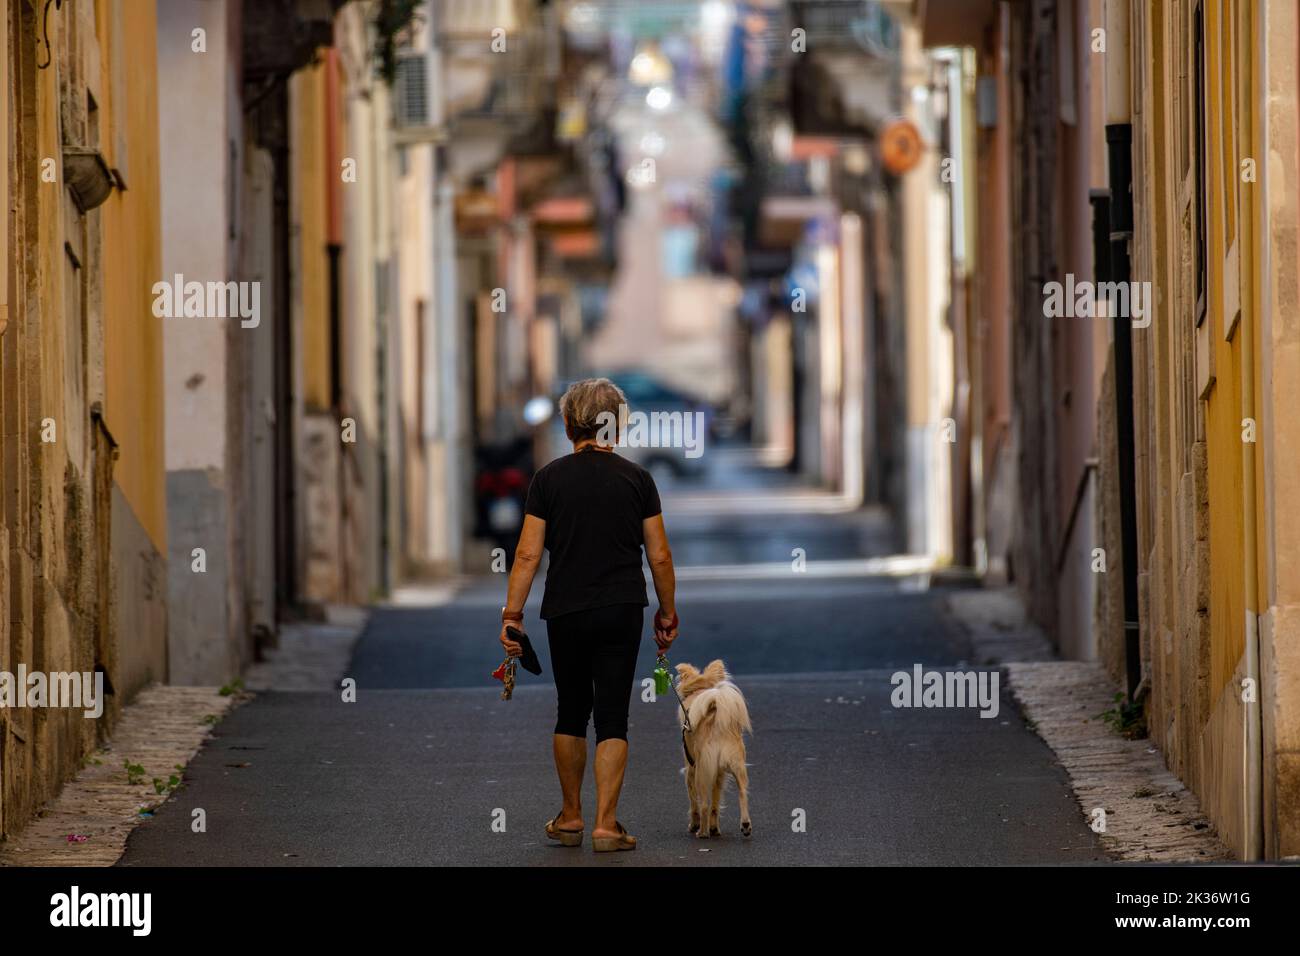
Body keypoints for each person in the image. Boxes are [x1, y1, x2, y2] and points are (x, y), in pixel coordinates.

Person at [498, 378, 679, 852]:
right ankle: (607, 824)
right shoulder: (638, 480)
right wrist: (667, 611)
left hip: (566, 610)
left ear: (566, 424)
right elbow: (659, 556)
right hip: (622, 609)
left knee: (571, 712)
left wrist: (512, 614)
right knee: (614, 717)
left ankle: (571, 816)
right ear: (616, 427)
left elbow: (526, 555)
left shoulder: (548, 480)